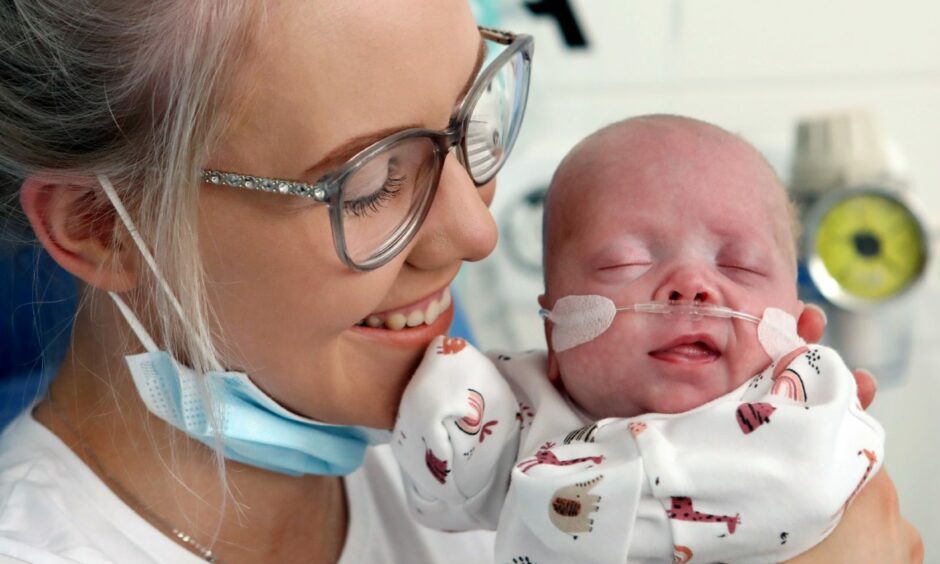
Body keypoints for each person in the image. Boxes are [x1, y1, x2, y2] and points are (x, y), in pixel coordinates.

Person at [0, 1, 920, 562]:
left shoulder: (489, 470)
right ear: (99, 225)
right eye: (369, 181)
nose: (474, 232)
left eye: (464, 127)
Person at [390, 115, 913, 563]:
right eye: (627, 262)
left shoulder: (804, 411)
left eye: (739, 265)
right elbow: (441, 479)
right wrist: (433, 387)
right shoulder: (522, 415)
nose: (691, 285)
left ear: (799, 332)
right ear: (555, 336)